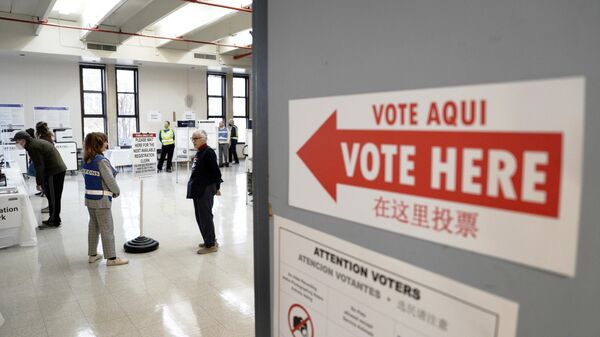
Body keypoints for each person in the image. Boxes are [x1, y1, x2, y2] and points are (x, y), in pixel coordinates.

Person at [82, 132, 128, 266]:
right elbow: (110, 180)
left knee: (94, 227)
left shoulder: (86, 160)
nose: (107, 144)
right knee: (107, 228)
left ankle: (92, 255)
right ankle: (112, 258)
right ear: (98, 144)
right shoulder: (101, 161)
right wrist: (117, 191)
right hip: (101, 201)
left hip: (90, 199)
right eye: (105, 141)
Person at [12, 131, 66, 229]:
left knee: (53, 198)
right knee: (52, 197)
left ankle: (54, 221)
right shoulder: (34, 144)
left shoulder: (33, 147)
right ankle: (54, 219)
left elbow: (39, 166)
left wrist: (39, 182)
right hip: (55, 170)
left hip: (54, 171)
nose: (16, 144)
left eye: (17, 141)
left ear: (23, 140)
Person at [187, 130, 222, 254]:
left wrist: (217, 187)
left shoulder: (208, 152)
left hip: (205, 188)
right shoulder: (200, 152)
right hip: (198, 188)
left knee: (205, 216)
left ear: (204, 139)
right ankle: (209, 239)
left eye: (196, 138)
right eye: (192, 138)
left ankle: (211, 244)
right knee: (200, 216)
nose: (193, 141)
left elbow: (216, 172)